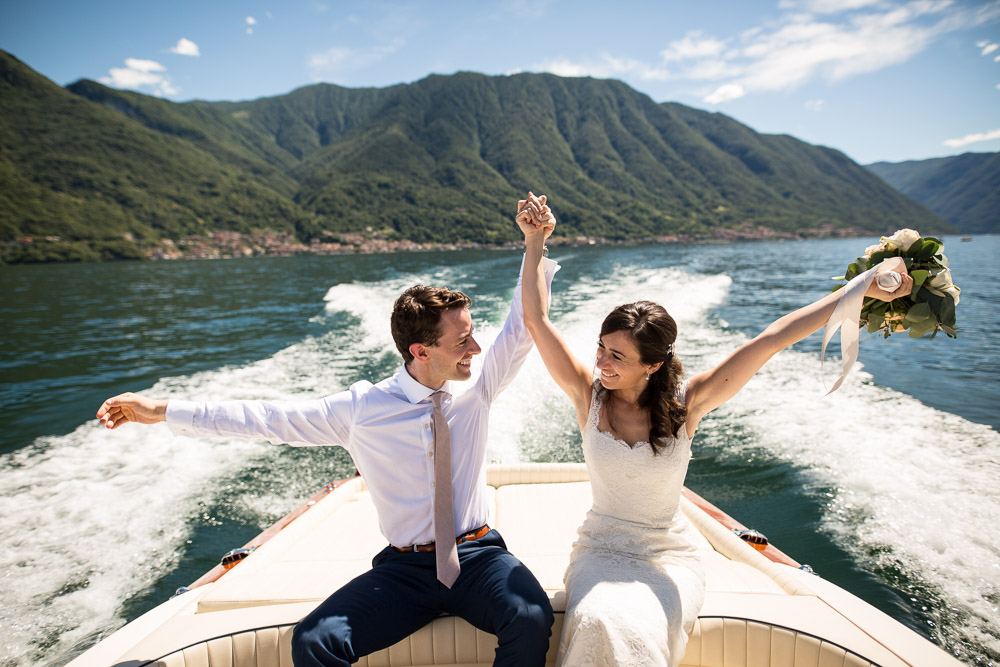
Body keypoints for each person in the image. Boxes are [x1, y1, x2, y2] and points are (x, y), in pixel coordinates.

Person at [95, 202, 561, 667]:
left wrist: (534, 243)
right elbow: (265, 418)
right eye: (462, 341)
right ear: (420, 351)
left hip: (478, 555)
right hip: (406, 569)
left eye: (473, 336)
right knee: (314, 641)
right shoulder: (361, 410)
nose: (476, 348)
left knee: (530, 615)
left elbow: (522, 325)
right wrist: (161, 411)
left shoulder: (477, 390)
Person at [515, 193, 912, 667]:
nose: (601, 362)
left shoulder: (688, 404)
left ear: (653, 365)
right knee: (599, 618)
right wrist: (535, 241)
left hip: (667, 557)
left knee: (634, 627)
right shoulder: (588, 395)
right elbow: (536, 319)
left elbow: (772, 339)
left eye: (617, 356)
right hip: (598, 550)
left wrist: (860, 291)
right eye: (601, 348)